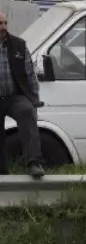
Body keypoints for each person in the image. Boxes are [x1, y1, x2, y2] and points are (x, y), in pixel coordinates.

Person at [0, 10, 45, 179]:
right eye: (0, 24)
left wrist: (34, 98)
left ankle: (34, 162)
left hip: (15, 95)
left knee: (27, 111)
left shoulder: (18, 45)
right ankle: (2, 172)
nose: (3, 27)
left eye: (5, 23)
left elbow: (29, 73)